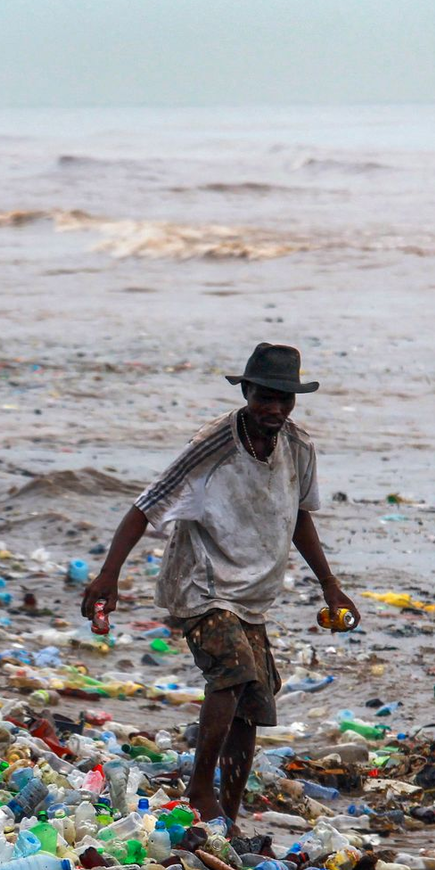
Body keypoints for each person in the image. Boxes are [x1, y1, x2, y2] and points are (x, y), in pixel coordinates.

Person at [81, 343, 359, 828]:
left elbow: (299, 517)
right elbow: (146, 506)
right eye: (265, 397)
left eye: (285, 399)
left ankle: (226, 815)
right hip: (200, 584)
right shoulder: (214, 444)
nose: (275, 409)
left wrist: (330, 585)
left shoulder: (298, 447)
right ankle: (199, 789)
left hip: (252, 595)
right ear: (246, 392)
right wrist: (109, 575)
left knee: (254, 702)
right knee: (232, 672)